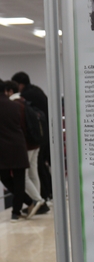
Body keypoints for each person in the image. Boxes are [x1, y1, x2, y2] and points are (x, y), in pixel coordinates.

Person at [11, 71, 52, 211]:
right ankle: (44, 199)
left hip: (30, 141)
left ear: (20, 84)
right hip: (41, 137)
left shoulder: (21, 99)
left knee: (27, 174)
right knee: (37, 170)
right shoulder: (37, 91)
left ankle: (39, 201)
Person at [4, 80, 44, 217]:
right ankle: (38, 203)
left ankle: (38, 200)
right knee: (33, 173)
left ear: (10, 91)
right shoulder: (24, 102)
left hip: (25, 146)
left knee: (24, 177)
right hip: (35, 143)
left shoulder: (14, 104)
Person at [0, 79, 29, 220]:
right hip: (18, 146)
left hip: (2, 149)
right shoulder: (16, 105)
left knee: (5, 178)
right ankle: (17, 211)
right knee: (19, 180)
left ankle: (26, 203)